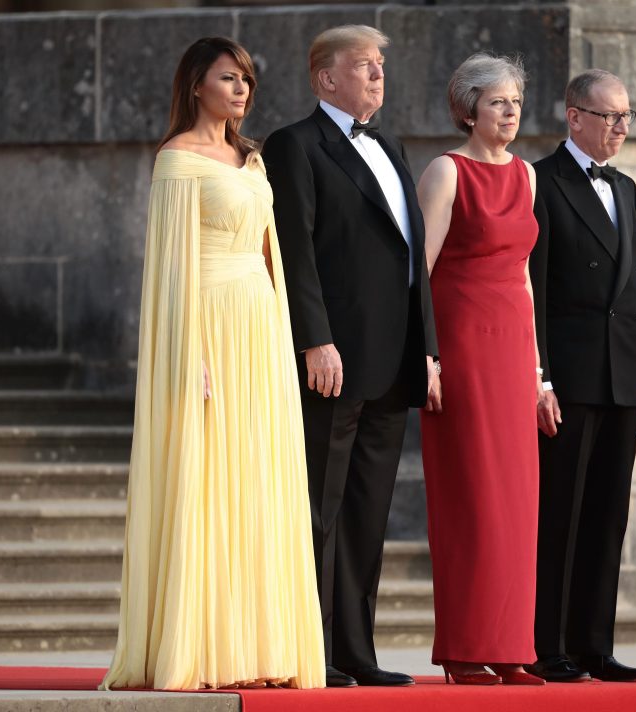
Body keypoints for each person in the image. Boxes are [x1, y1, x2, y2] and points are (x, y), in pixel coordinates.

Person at [100, 37, 324, 691]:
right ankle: (200, 648)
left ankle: (259, 649)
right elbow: (171, 272)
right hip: (209, 327)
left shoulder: (252, 160)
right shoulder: (176, 160)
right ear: (196, 83)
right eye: (229, 78)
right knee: (209, 481)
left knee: (258, 482)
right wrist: (187, 352)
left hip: (258, 327)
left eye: (248, 81)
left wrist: (285, 338)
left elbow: (268, 256)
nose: (241, 91)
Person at [261, 25, 439, 689]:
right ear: (325, 78)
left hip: (393, 362)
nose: (377, 76)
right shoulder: (294, 146)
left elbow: (412, 260)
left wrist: (428, 350)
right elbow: (294, 247)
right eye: (364, 66)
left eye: (381, 66)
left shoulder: (390, 145)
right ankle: (314, 652)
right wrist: (314, 337)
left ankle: (358, 652)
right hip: (331, 359)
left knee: (368, 512)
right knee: (321, 507)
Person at [528, 69, 636, 683]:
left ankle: (594, 646)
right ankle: (547, 646)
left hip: (624, 375)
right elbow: (534, 288)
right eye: (610, 116)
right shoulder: (543, 181)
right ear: (574, 116)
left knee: (609, 516)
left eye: (627, 117)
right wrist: (542, 378)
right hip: (572, 376)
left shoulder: (627, 187)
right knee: (561, 514)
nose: (621, 128)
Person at [416, 53, 542, 687]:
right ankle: (465, 649)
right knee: (472, 499)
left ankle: (510, 646)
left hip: (514, 351)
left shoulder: (527, 176)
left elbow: (522, 275)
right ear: (468, 108)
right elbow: (421, 270)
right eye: (497, 101)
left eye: (516, 101)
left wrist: (540, 376)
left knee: (518, 504)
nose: (510, 112)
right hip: (463, 349)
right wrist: (427, 357)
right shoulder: (446, 171)